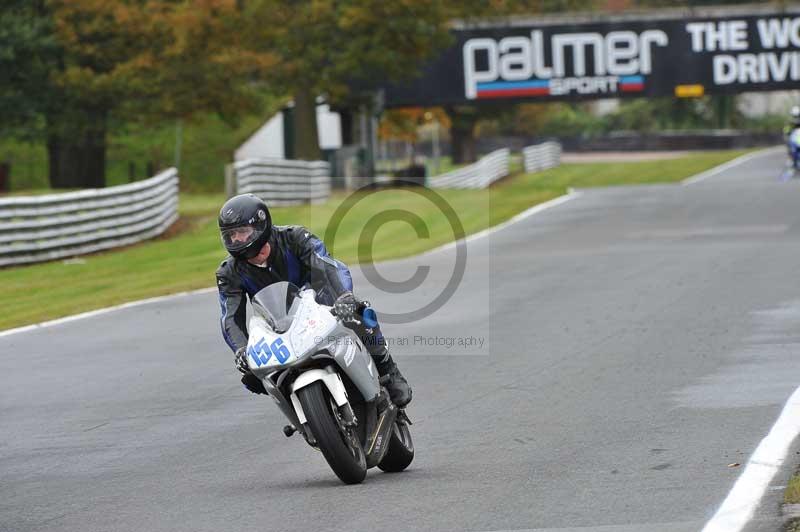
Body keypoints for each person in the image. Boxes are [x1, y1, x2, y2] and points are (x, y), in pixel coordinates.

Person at [215, 193, 412, 406]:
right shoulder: (228, 273)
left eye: (243, 232)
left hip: (320, 297)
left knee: (359, 314)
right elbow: (230, 316)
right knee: (252, 377)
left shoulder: (296, 237)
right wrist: (241, 349)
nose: (237, 240)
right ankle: (302, 411)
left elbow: (326, 265)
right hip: (277, 319)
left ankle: (389, 371)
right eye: (231, 234)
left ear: (261, 225)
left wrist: (343, 296)